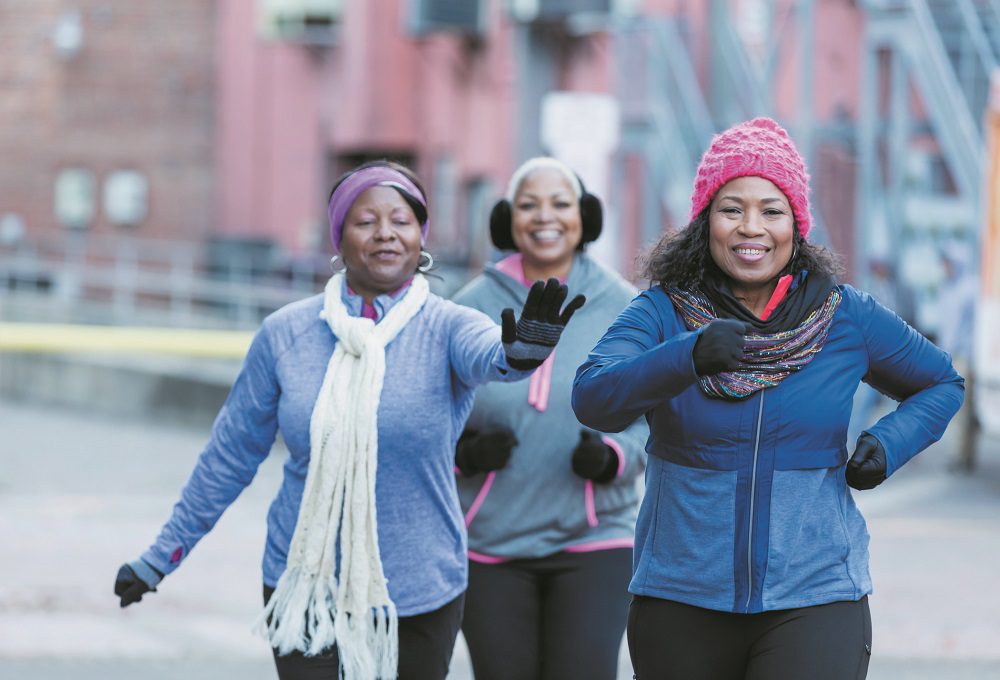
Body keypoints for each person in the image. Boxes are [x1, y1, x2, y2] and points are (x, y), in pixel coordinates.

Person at [112, 160, 586, 680]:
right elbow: (228, 458)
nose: (385, 233)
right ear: (339, 238)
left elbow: (493, 356)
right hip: (306, 585)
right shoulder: (285, 334)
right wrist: (160, 557)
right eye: (366, 221)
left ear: (420, 235)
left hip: (420, 588)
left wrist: (523, 351)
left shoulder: (448, 327)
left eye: (401, 221)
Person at [571, 118, 965, 679]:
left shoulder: (844, 314)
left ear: (796, 225)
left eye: (772, 211)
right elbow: (594, 398)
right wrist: (688, 355)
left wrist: (887, 444)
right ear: (705, 220)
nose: (750, 227)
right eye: (731, 209)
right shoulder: (662, 313)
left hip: (814, 597)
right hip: (681, 597)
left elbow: (942, 383)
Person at [451, 157, 647, 680]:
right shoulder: (468, 306)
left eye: (560, 203)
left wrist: (615, 456)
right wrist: (463, 455)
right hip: (489, 540)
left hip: (595, 534)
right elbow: (437, 407)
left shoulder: (626, 307)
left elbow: (655, 409)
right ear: (506, 219)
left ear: (584, 216)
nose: (545, 217)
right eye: (528, 204)